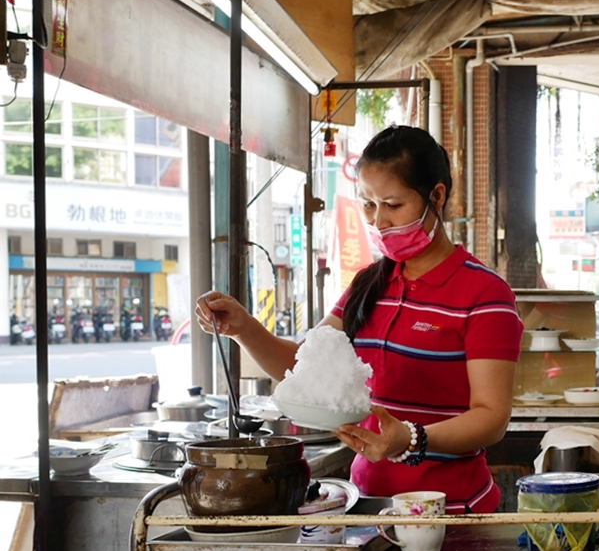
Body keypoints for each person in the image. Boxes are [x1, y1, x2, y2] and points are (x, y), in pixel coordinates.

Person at [195, 125, 524, 512]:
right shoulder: (369, 284)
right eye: (368, 205)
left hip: (449, 509)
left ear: (437, 195)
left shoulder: (485, 294)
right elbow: (304, 371)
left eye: (393, 204)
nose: (379, 221)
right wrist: (244, 329)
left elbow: (491, 417)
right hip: (366, 503)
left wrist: (411, 438)